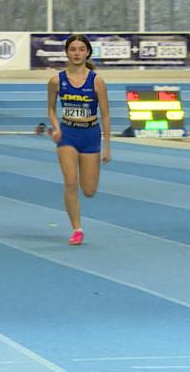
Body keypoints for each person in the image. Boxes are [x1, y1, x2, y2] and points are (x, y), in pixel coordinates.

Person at [46, 35, 111, 245]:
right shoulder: (56, 80)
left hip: (90, 135)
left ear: (87, 53)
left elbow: (106, 115)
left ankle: (78, 223)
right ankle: (77, 228)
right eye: (72, 49)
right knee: (70, 182)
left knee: (89, 190)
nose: (76, 53)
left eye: (81, 49)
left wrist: (107, 146)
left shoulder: (97, 81)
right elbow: (51, 108)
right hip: (68, 134)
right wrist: (56, 128)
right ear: (67, 52)